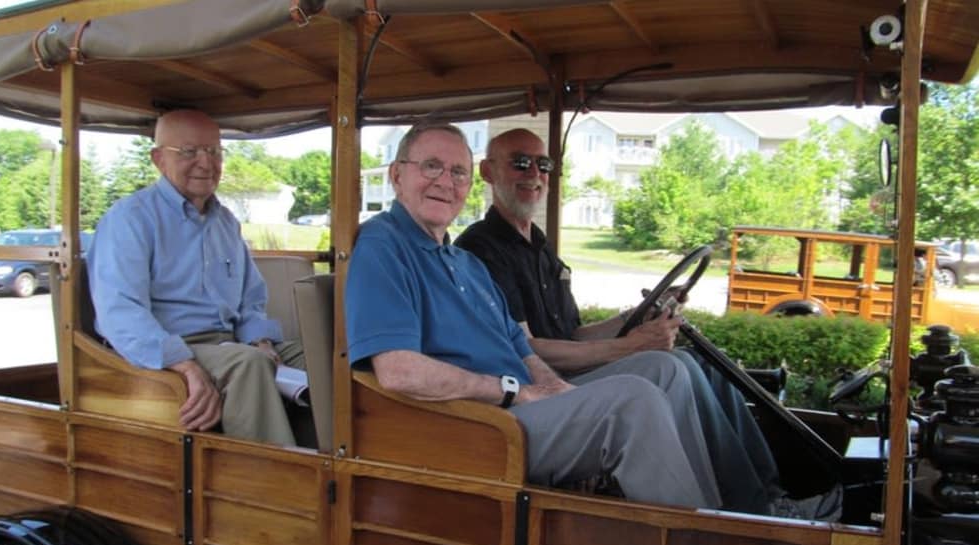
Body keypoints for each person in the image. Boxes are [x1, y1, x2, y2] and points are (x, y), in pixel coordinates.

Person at [345, 121, 732, 510]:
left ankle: (721, 514)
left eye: (458, 171)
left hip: (518, 406)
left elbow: (519, 345)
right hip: (474, 426)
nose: (445, 182)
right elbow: (399, 370)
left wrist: (552, 386)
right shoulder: (383, 245)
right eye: (431, 166)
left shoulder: (466, 263)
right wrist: (513, 392)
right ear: (397, 175)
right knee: (633, 402)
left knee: (662, 369)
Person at [455, 128, 840, 518]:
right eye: (520, 163)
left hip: (570, 370)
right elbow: (530, 348)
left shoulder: (539, 245)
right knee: (669, 367)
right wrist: (631, 346)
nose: (534, 174)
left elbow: (572, 334)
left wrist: (637, 315)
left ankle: (769, 494)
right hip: (540, 385)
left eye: (543, 164)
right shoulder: (481, 249)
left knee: (701, 362)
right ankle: (744, 511)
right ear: (487, 172)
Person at [87, 109, 304, 446]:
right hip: (173, 346)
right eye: (189, 152)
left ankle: (339, 462)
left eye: (215, 151)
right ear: (158, 159)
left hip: (226, 342)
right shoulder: (130, 219)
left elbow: (250, 299)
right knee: (248, 365)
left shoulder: (225, 222)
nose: (206, 163)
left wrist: (260, 340)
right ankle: (265, 485)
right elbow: (121, 312)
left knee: (321, 357)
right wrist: (186, 366)